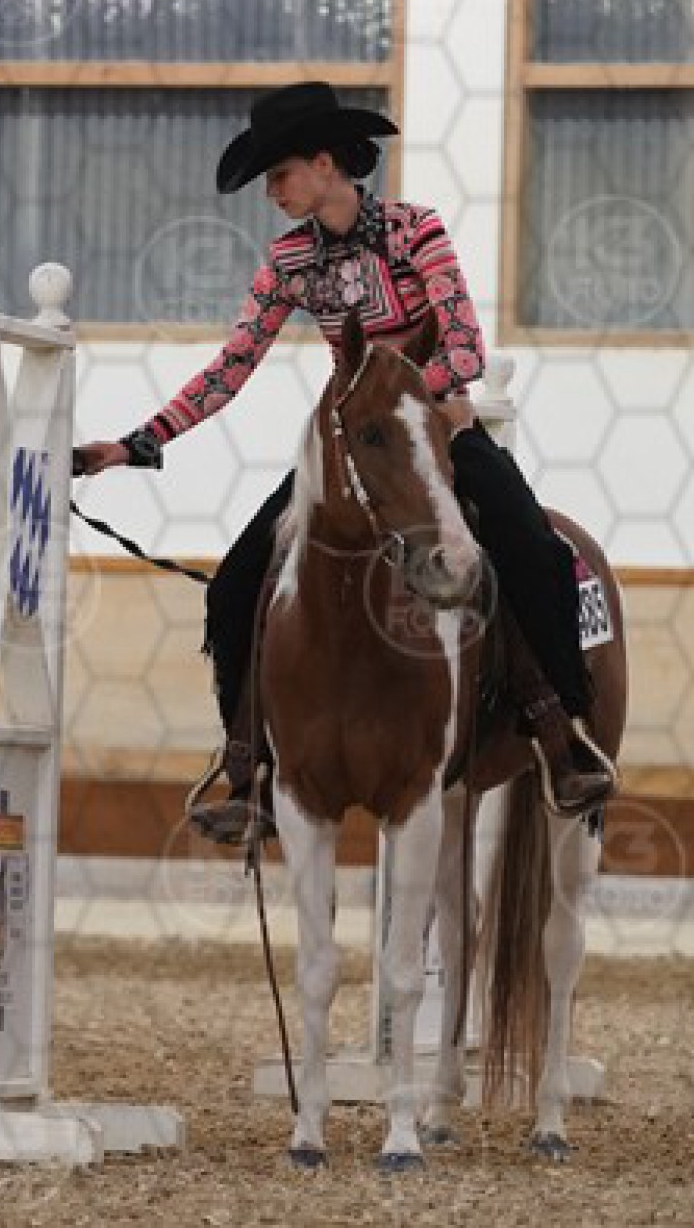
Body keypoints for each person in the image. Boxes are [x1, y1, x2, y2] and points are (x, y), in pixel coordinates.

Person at [76, 81, 616, 844]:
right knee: (234, 587)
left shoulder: (415, 231)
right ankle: (251, 768)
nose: (272, 193)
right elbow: (233, 366)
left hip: (433, 433)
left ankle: (561, 731)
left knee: (531, 545)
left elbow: (465, 348)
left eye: (280, 174)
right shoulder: (289, 262)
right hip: (349, 449)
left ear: (325, 163)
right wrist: (139, 441)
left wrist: (400, 401)